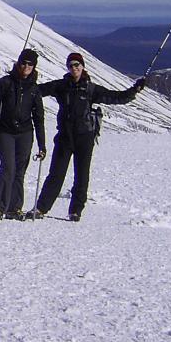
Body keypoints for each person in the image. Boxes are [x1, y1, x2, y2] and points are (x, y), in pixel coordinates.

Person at [29, 52, 146, 221]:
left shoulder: (91, 89)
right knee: (56, 174)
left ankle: (75, 211)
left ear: (82, 66)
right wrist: (27, 80)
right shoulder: (61, 86)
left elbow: (116, 97)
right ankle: (40, 208)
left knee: (82, 175)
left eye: (77, 65)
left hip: (84, 138)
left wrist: (134, 90)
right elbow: (38, 91)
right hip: (65, 137)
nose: (74, 68)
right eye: (71, 65)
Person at [0, 48, 46, 220]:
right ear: (18, 63)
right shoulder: (5, 83)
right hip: (5, 131)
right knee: (8, 167)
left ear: (34, 67)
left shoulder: (34, 89)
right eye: (23, 63)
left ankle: (14, 207)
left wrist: (42, 145)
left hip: (25, 133)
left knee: (20, 170)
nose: (26, 66)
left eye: (30, 64)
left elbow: (39, 117)